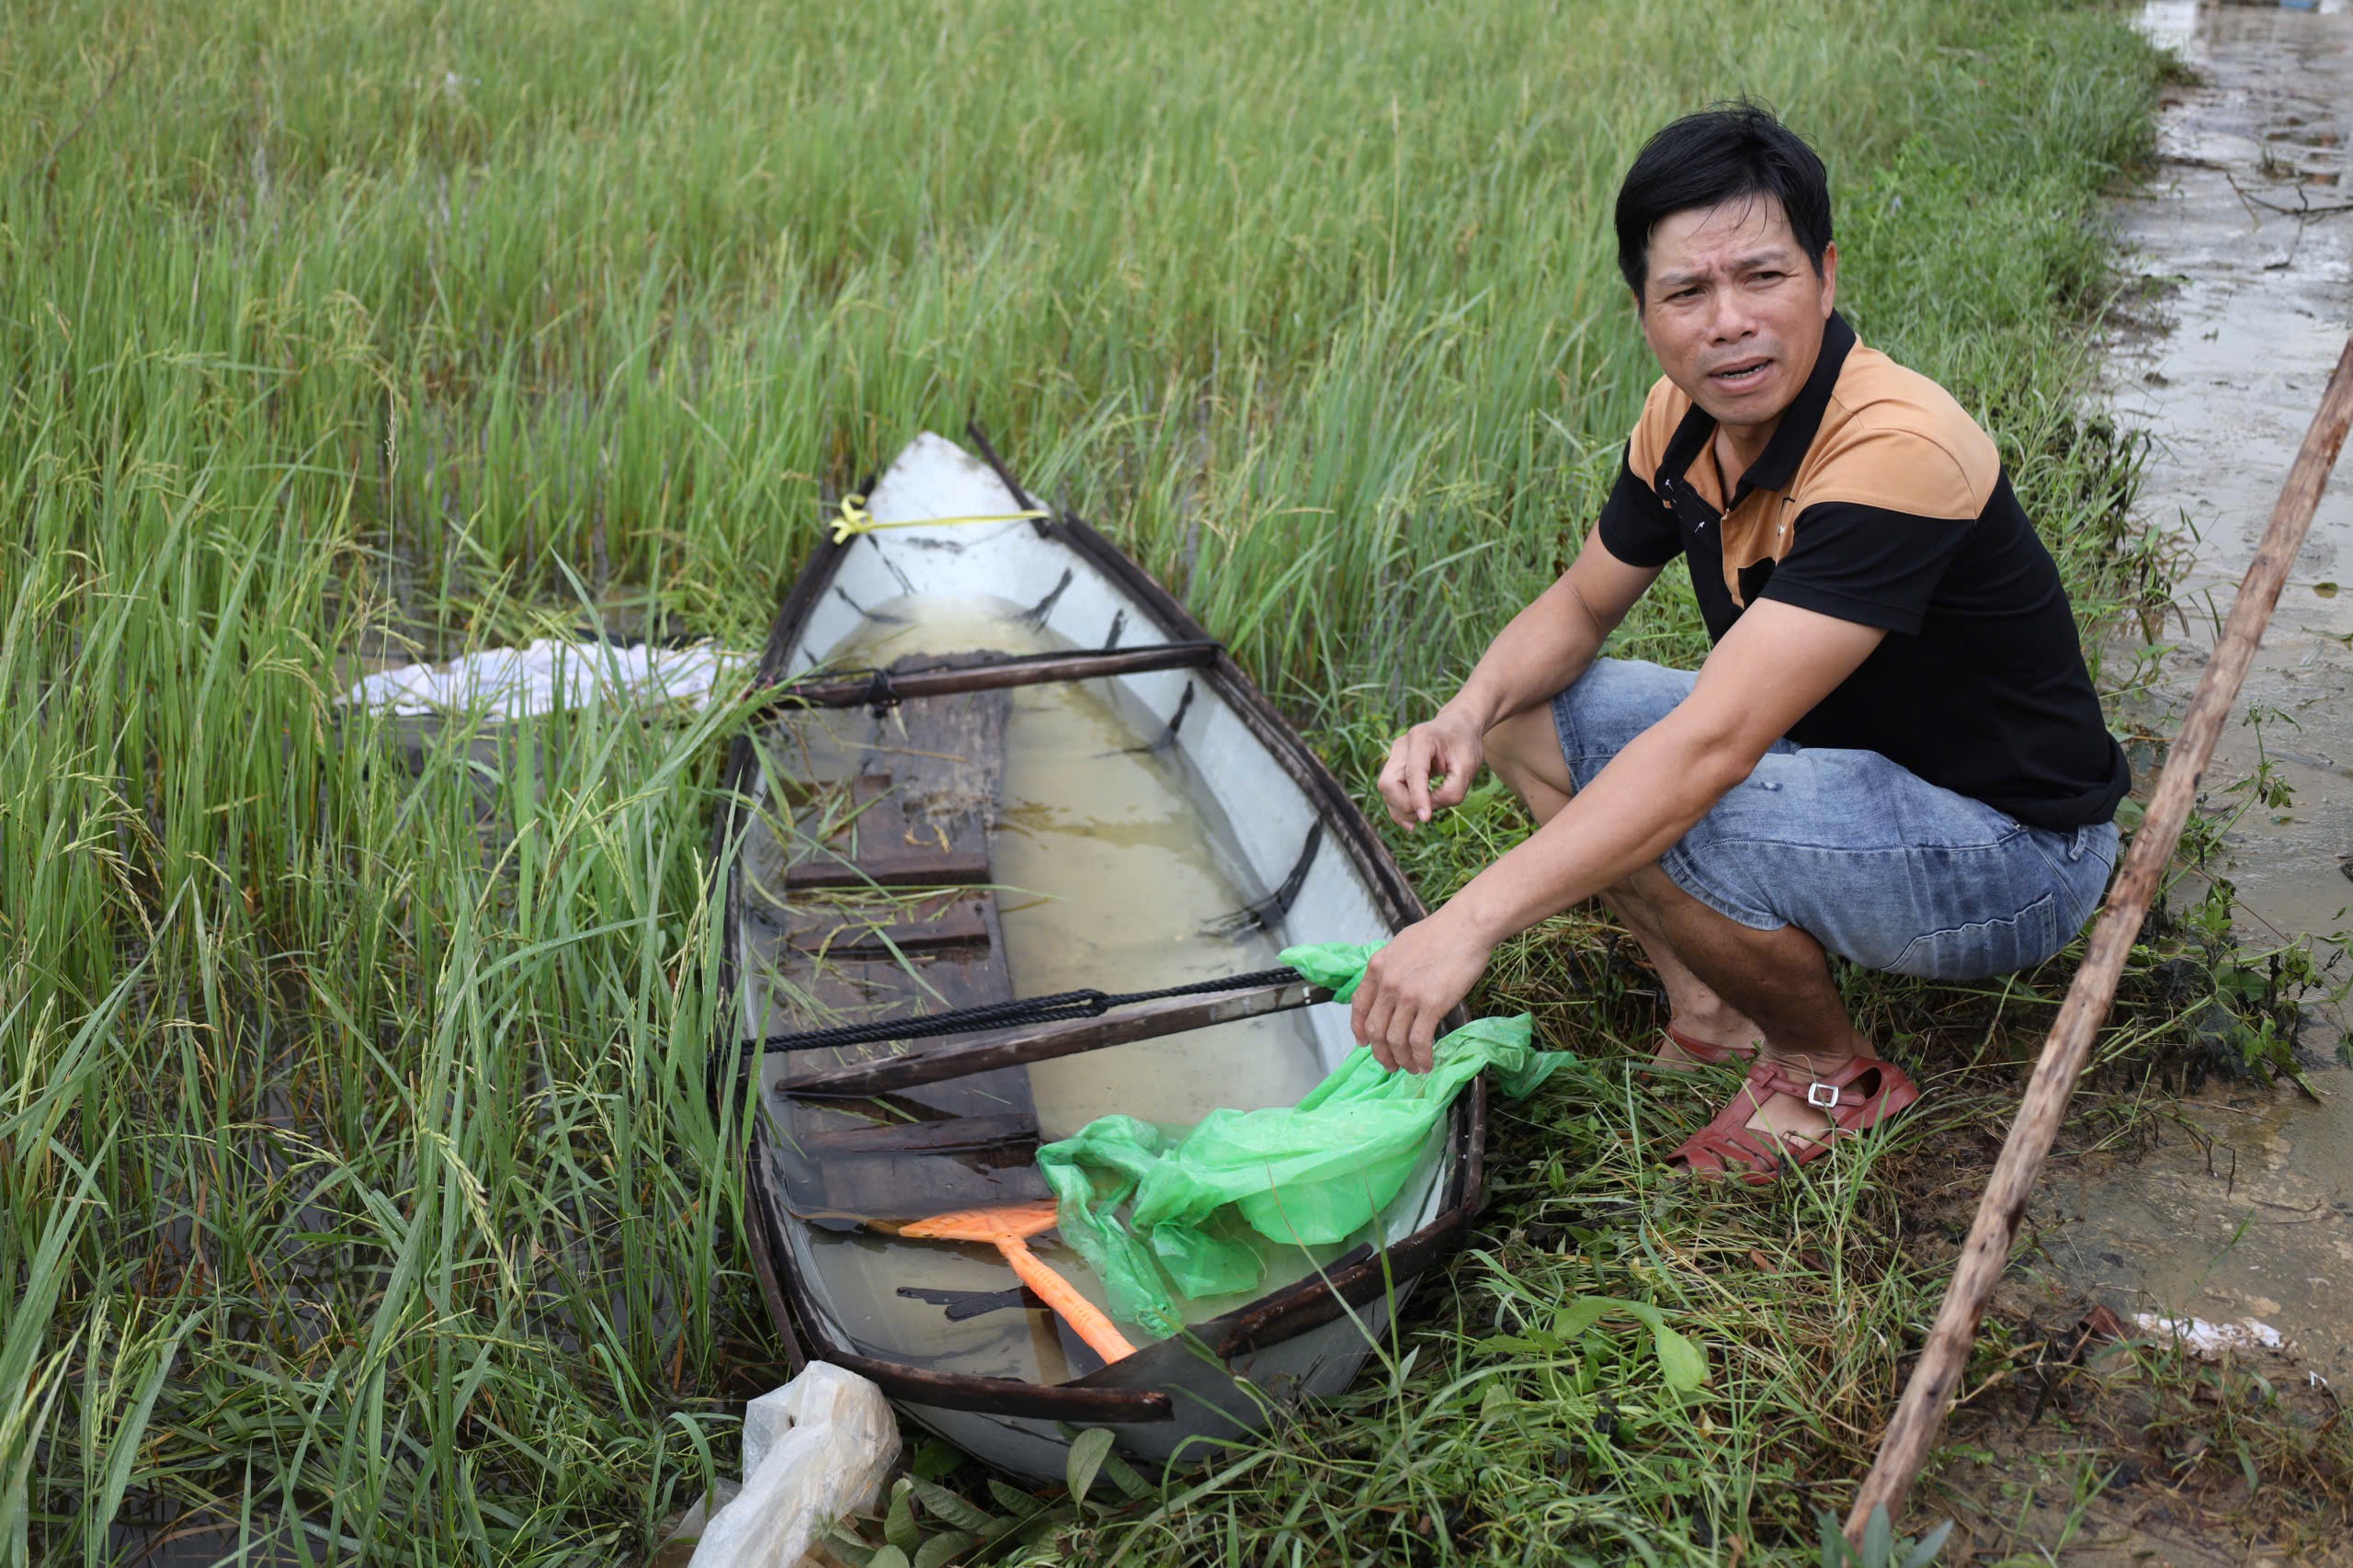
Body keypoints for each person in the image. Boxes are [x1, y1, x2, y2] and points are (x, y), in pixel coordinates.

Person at [1350, 103, 2126, 1182]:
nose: (1727, 322)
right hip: (1848, 773)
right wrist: (1465, 712)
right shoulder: (1682, 420)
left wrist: (1467, 923)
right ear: (1643, 311)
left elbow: (1710, 747)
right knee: (1539, 712)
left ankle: (1826, 1072)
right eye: (1686, 292)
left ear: (1825, 275)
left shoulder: (1894, 446)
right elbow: (1580, 608)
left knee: (1674, 794)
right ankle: (1711, 1004)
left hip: (2011, 849)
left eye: (1761, 277)